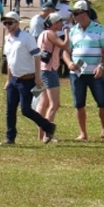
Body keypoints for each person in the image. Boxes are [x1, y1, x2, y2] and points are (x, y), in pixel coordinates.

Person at [62, 0, 104, 141]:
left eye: (76, 13)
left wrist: (101, 66)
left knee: (102, 102)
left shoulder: (99, 29)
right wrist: (69, 63)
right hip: (77, 74)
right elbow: (66, 52)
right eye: (73, 14)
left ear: (86, 13)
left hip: (95, 73)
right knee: (79, 103)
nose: (74, 16)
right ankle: (83, 133)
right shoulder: (72, 31)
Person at [1, 11, 56, 145]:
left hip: (27, 79)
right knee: (10, 110)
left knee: (26, 109)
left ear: (17, 23)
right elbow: (9, 61)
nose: (7, 25)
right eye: (5, 23)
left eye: (10, 22)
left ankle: (48, 126)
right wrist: (8, 80)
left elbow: (37, 57)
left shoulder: (26, 37)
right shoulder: (7, 39)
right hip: (14, 79)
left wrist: (38, 77)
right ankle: (10, 137)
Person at [35, 12, 69, 142]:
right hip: (50, 70)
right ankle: (47, 134)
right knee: (54, 104)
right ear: (54, 24)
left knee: (43, 103)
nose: (62, 24)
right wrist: (67, 33)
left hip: (42, 70)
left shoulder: (42, 34)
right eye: (60, 22)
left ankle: (41, 135)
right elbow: (65, 45)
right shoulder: (51, 34)